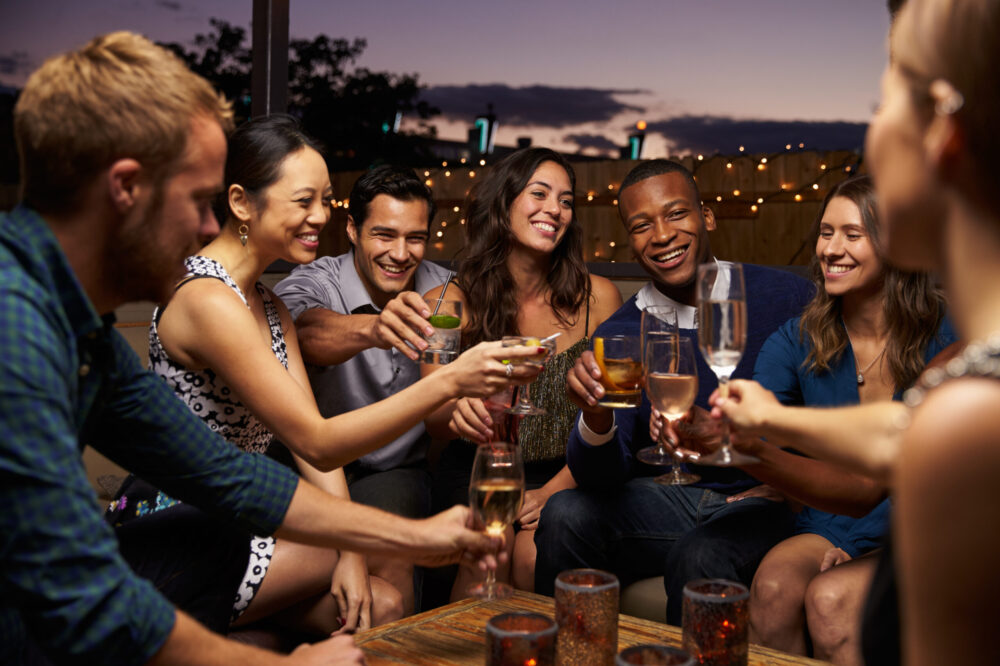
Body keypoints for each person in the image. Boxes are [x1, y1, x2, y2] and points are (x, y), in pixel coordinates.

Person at [0, 31, 510, 665]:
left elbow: (228, 476)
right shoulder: (15, 333)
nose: (209, 228)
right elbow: (77, 594)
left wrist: (414, 536)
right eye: (196, 200)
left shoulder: (79, 327)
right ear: (125, 189)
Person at [110, 114, 546, 639]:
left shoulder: (268, 305)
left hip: (242, 521)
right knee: (374, 551)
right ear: (242, 202)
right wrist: (451, 382)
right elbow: (317, 442)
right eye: (303, 201)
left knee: (379, 604)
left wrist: (349, 555)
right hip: (182, 526)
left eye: (324, 200)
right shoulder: (206, 299)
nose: (320, 215)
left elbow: (314, 449)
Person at [714, 1, 1000, 662]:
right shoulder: (970, 382)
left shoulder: (970, 415)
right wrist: (765, 423)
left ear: (941, 142)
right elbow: (900, 433)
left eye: (886, 100)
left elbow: (915, 440)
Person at [533, 158, 815, 624]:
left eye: (676, 214)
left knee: (700, 555)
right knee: (564, 513)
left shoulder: (785, 298)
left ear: (706, 217)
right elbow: (602, 477)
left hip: (762, 498)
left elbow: (833, 405)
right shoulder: (622, 331)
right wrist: (597, 415)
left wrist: (790, 481)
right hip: (668, 498)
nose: (661, 236)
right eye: (641, 226)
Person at [739, 175, 953, 664]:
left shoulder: (948, 338)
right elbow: (756, 415)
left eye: (852, 234)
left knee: (830, 599)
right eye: (825, 232)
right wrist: (721, 430)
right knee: (772, 588)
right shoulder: (798, 338)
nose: (830, 249)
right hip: (830, 519)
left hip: (917, 525)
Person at [422, 147, 622, 596]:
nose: (555, 209)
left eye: (566, 200)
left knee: (534, 557)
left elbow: (616, 416)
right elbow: (432, 420)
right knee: (489, 552)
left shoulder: (600, 300)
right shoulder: (445, 303)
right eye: (540, 193)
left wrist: (554, 489)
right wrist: (456, 403)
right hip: (478, 468)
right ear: (504, 202)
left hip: (565, 472)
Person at [274, 165, 451, 614]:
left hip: (394, 470)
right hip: (308, 466)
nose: (400, 253)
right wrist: (375, 327)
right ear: (352, 229)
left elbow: (449, 379)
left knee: (387, 539)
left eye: (415, 237)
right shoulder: (314, 280)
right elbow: (306, 333)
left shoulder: (444, 289)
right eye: (384, 235)